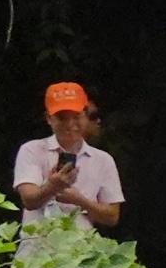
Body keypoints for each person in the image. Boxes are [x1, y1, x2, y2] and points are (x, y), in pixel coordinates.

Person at [9, 82, 126, 256]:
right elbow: (29, 201)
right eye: (62, 117)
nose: (71, 124)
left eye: (77, 116)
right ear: (49, 118)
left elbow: (112, 216)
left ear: (86, 116)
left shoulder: (103, 160)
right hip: (36, 255)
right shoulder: (32, 150)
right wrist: (52, 187)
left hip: (81, 256)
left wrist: (80, 200)